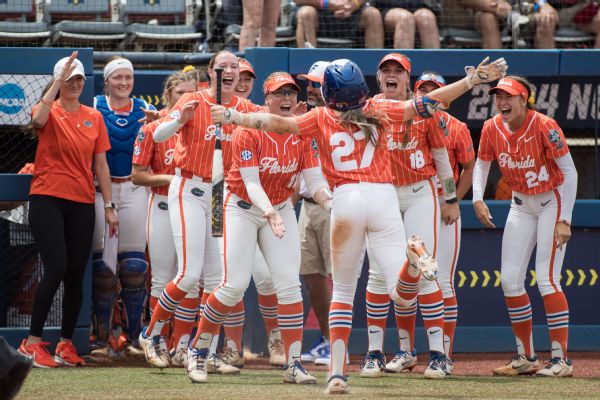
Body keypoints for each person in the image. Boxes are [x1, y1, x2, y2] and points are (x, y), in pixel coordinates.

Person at [211, 56, 508, 393]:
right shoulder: (379, 109)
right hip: (384, 198)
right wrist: (471, 81)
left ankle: (337, 374)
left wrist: (236, 116)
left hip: (347, 198)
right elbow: (427, 104)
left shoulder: (320, 116)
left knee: (344, 292)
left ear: (330, 93)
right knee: (400, 292)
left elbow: (277, 124)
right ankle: (412, 266)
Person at [188, 71, 333, 385]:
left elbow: (315, 180)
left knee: (288, 284)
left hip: (278, 208)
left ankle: (293, 364)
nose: (285, 99)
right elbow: (251, 182)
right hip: (242, 207)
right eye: (279, 94)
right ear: (266, 99)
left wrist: (331, 203)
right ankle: (198, 352)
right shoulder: (248, 130)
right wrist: (269, 211)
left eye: (291, 94)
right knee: (234, 285)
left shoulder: (302, 131)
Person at [139, 51, 260, 373]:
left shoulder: (245, 109)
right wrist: (180, 119)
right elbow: (158, 134)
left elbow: (273, 123)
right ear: (212, 72)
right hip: (189, 187)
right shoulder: (193, 99)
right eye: (223, 67)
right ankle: (150, 334)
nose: (230, 72)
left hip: (221, 195)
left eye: (235, 67)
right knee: (189, 274)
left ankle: (199, 350)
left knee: (217, 279)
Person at [360, 54, 459, 380]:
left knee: (425, 265)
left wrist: (451, 198)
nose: (391, 75)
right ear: (378, 77)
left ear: (407, 78)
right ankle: (374, 353)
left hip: (419, 193)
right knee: (376, 273)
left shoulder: (424, 109)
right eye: (385, 70)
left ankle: (438, 355)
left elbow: (443, 159)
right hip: (383, 194)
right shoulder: (369, 107)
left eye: (397, 72)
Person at [18, 52, 118, 368]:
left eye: (78, 79)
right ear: (59, 81)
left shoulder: (94, 116)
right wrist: (57, 84)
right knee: (57, 266)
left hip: (83, 201)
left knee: (77, 273)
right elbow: (36, 121)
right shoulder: (48, 108)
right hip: (47, 197)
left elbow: (100, 163)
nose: (74, 84)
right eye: (68, 79)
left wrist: (110, 205)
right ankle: (31, 343)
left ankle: (65, 344)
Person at [473, 76, 577, 378]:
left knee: (547, 279)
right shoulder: (492, 127)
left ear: (524, 99)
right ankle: (527, 357)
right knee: (509, 281)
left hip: (551, 201)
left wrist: (565, 219)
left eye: (508, 96)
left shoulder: (544, 125)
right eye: (498, 96)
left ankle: (561, 360)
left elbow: (569, 173)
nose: (502, 102)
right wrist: (478, 198)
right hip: (521, 203)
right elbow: (482, 164)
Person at [219, 57, 287, 369]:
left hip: (255, 201)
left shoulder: (259, 112)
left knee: (265, 277)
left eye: (248, 78)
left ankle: (275, 340)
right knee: (224, 279)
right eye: (236, 77)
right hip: (216, 197)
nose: (242, 83)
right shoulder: (208, 105)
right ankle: (230, 346)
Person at [132, 71, 198, 368]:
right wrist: (173, 178)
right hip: (162, 203)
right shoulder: (153, 129)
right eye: (178, 92)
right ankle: (155, 340)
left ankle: (183, 345)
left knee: (193, 279)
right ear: (167, 96)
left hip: (198, 204)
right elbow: (137, 175)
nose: (184, 97)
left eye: (190, 92)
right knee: (161, 279)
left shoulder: (204, 127)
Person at [92, 57, 154, 356]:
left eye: (128, 77)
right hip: (99, 189)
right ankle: (101, 339)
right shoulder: (93, 105)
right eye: (118, 77)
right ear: (107, 80)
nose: (124, 83)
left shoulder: (144, 109)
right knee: (103, 269)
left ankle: (133, 339)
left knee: (133, 267)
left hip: (134, 186)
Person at [414, 72, 474, 373]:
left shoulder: (457, 127)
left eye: (435, 91)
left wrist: (453, 201)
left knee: (441, 280)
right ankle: (405, 351)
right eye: (423, 90)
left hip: (441, 202)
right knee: (408, 280)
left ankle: (444, 355)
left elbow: (467, 167)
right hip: (412, 202)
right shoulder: (406, 122)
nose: (429, 95)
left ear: (447, 99)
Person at [294, 61, 336, 365]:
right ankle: (326, 338)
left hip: (333, 204)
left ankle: (340, 344)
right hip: (306, 206)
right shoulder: (302, 117)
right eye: (309, 82)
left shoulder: (340, 117)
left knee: (339, 277)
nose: (310, 88)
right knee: (311, 275)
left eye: (316, 82)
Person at [295, 0, 384, 48]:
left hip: (352, 13)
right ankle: (307, 68)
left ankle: (375, 72)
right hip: (319, 14)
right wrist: (325, 3)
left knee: (373, 14)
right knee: (305, 13)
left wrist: (354, 4)